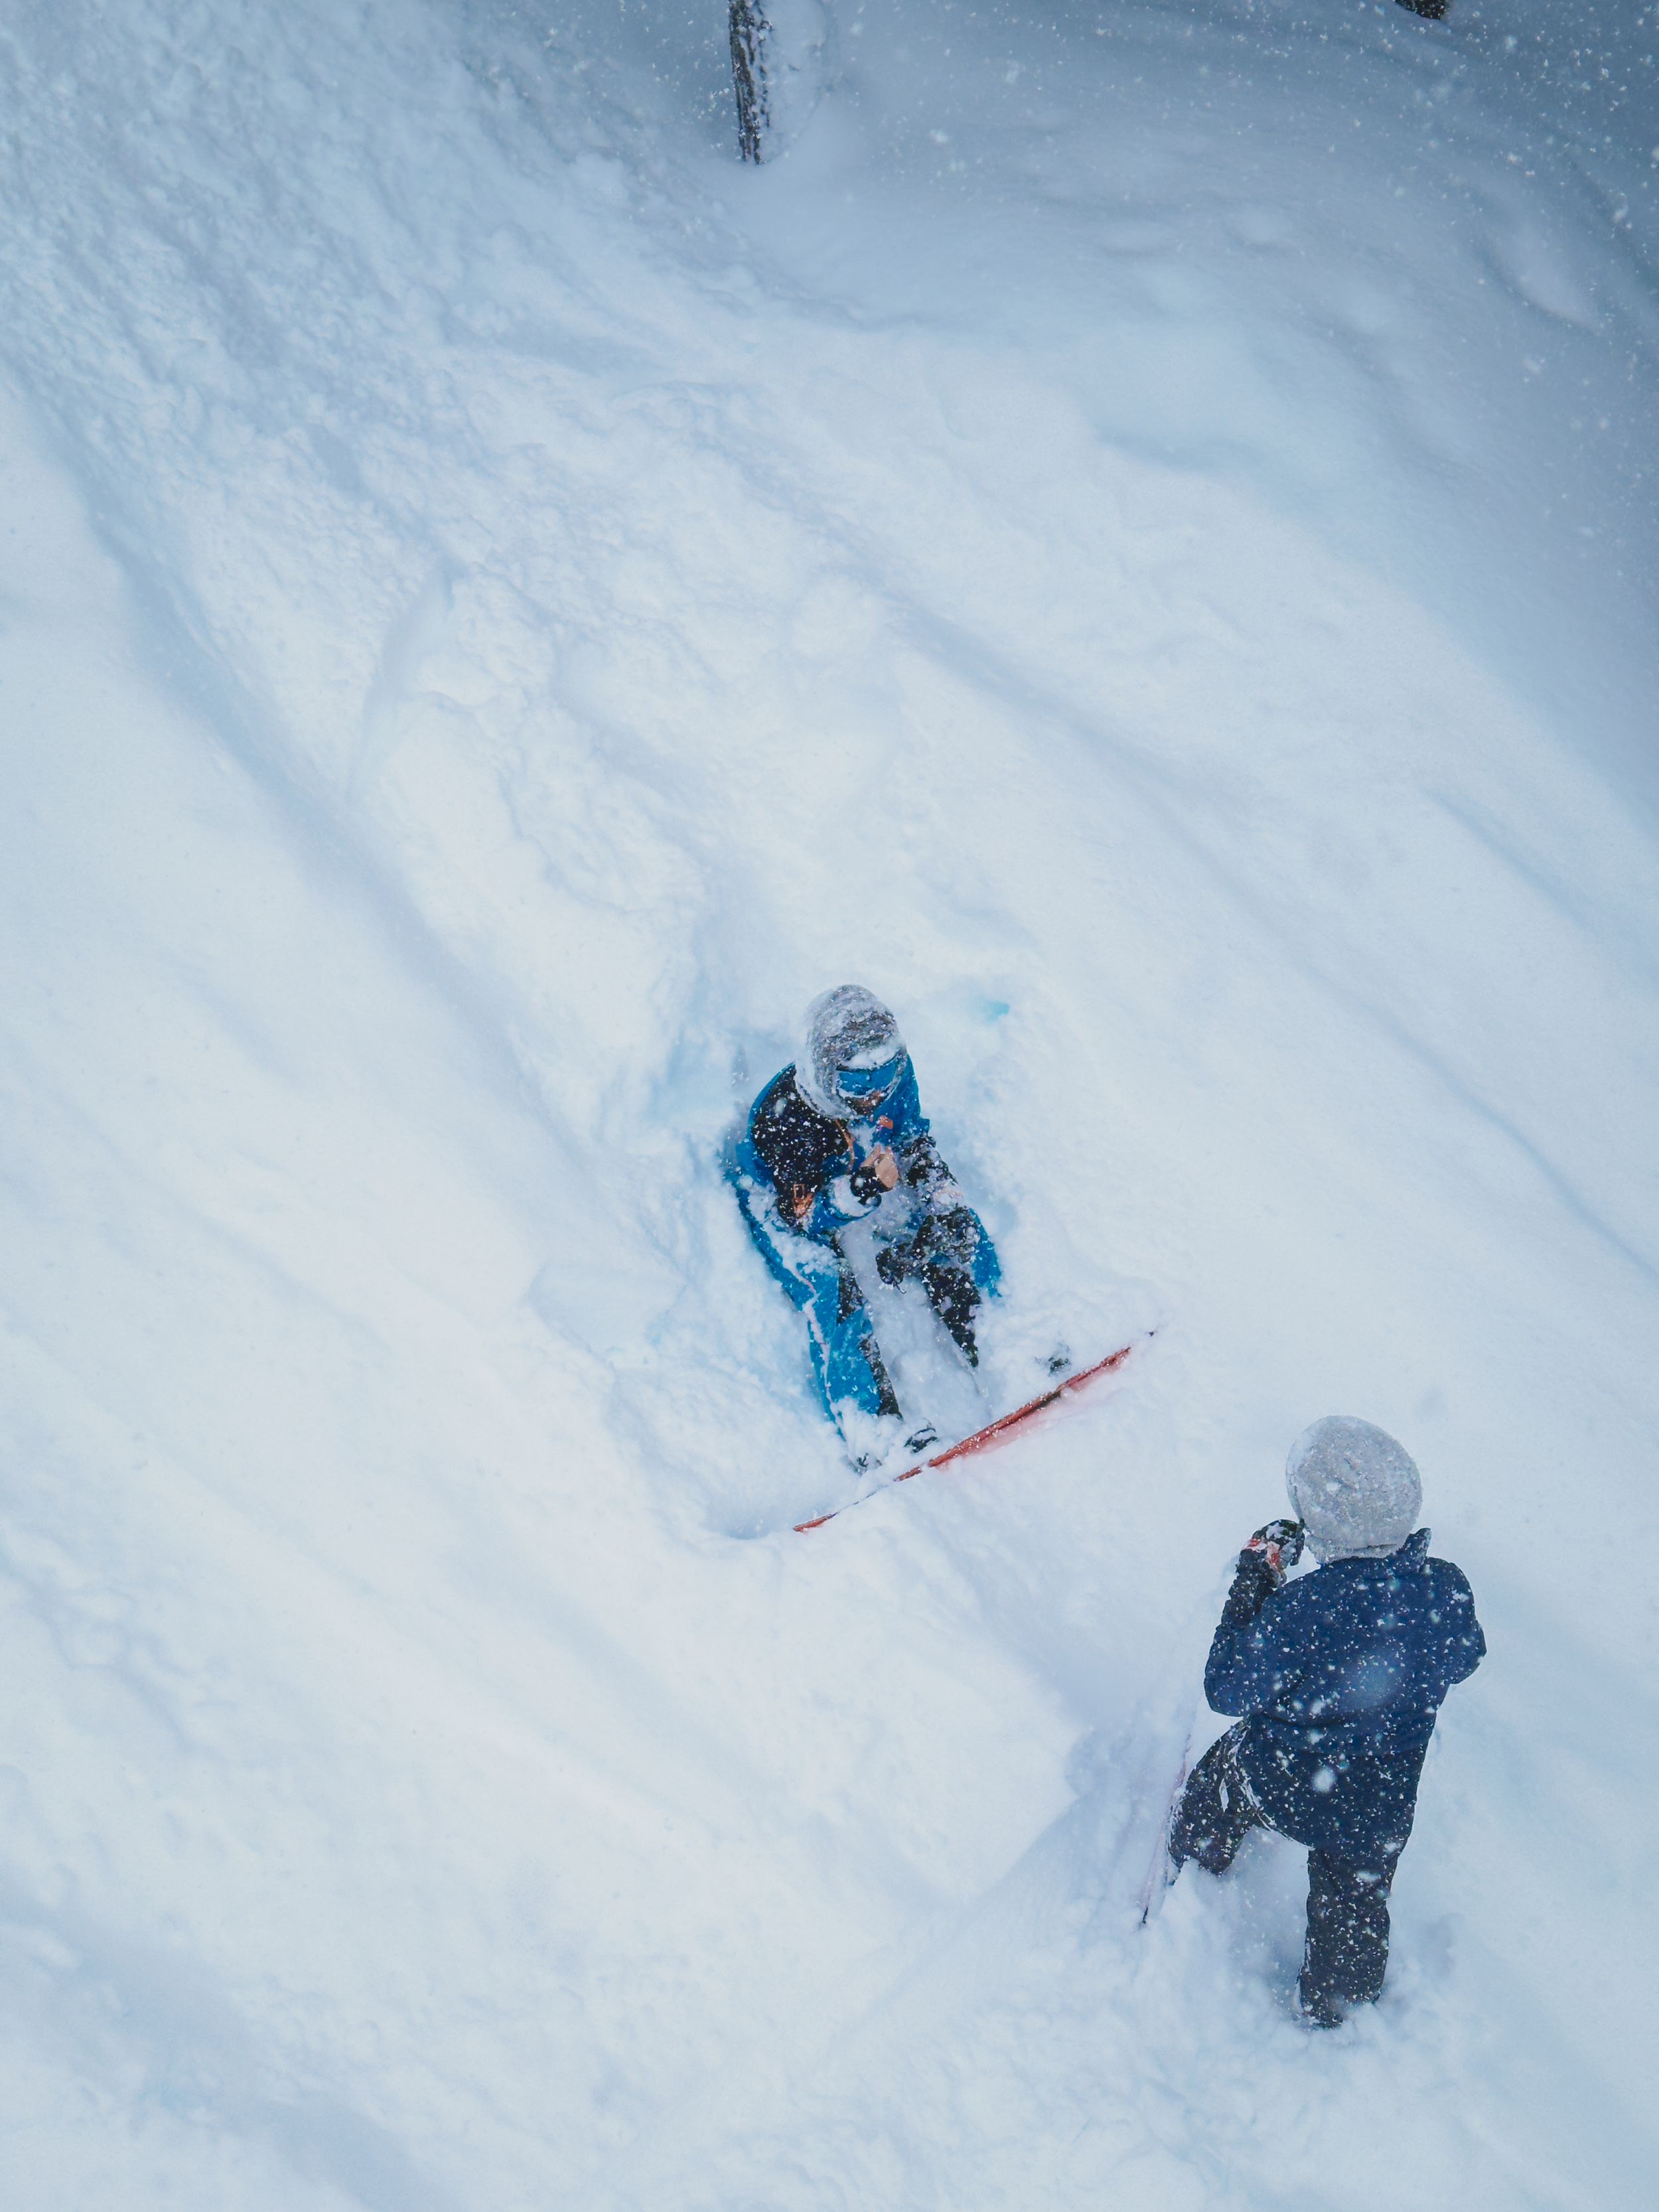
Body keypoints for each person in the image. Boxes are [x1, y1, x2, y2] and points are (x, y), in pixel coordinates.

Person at [1168, 1416, 1485, 2028]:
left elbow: (1226, 1687)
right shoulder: (1446, 1589)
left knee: (1227, 1768)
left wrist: (1254, 1583)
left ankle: (1197, 1850)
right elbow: (1465, 1657)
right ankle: (1340, 2001)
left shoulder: (1303, 1610)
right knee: (1358, 1896)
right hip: (1378, 1807)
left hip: (1287, 1781)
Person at [731, 986, 1001, 1465]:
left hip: (859, 1162)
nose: (877, 1098)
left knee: (953, 1228)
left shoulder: (892, 1073)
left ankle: (1005, 1340)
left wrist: (942, 1197)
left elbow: (912, 1135)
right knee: (829, 1289)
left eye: (884, 1085)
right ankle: (875, 1430)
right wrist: (861, 1189)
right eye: (861, 1091)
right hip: (786, 1197)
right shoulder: (783, 1118)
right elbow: (804, 1216)